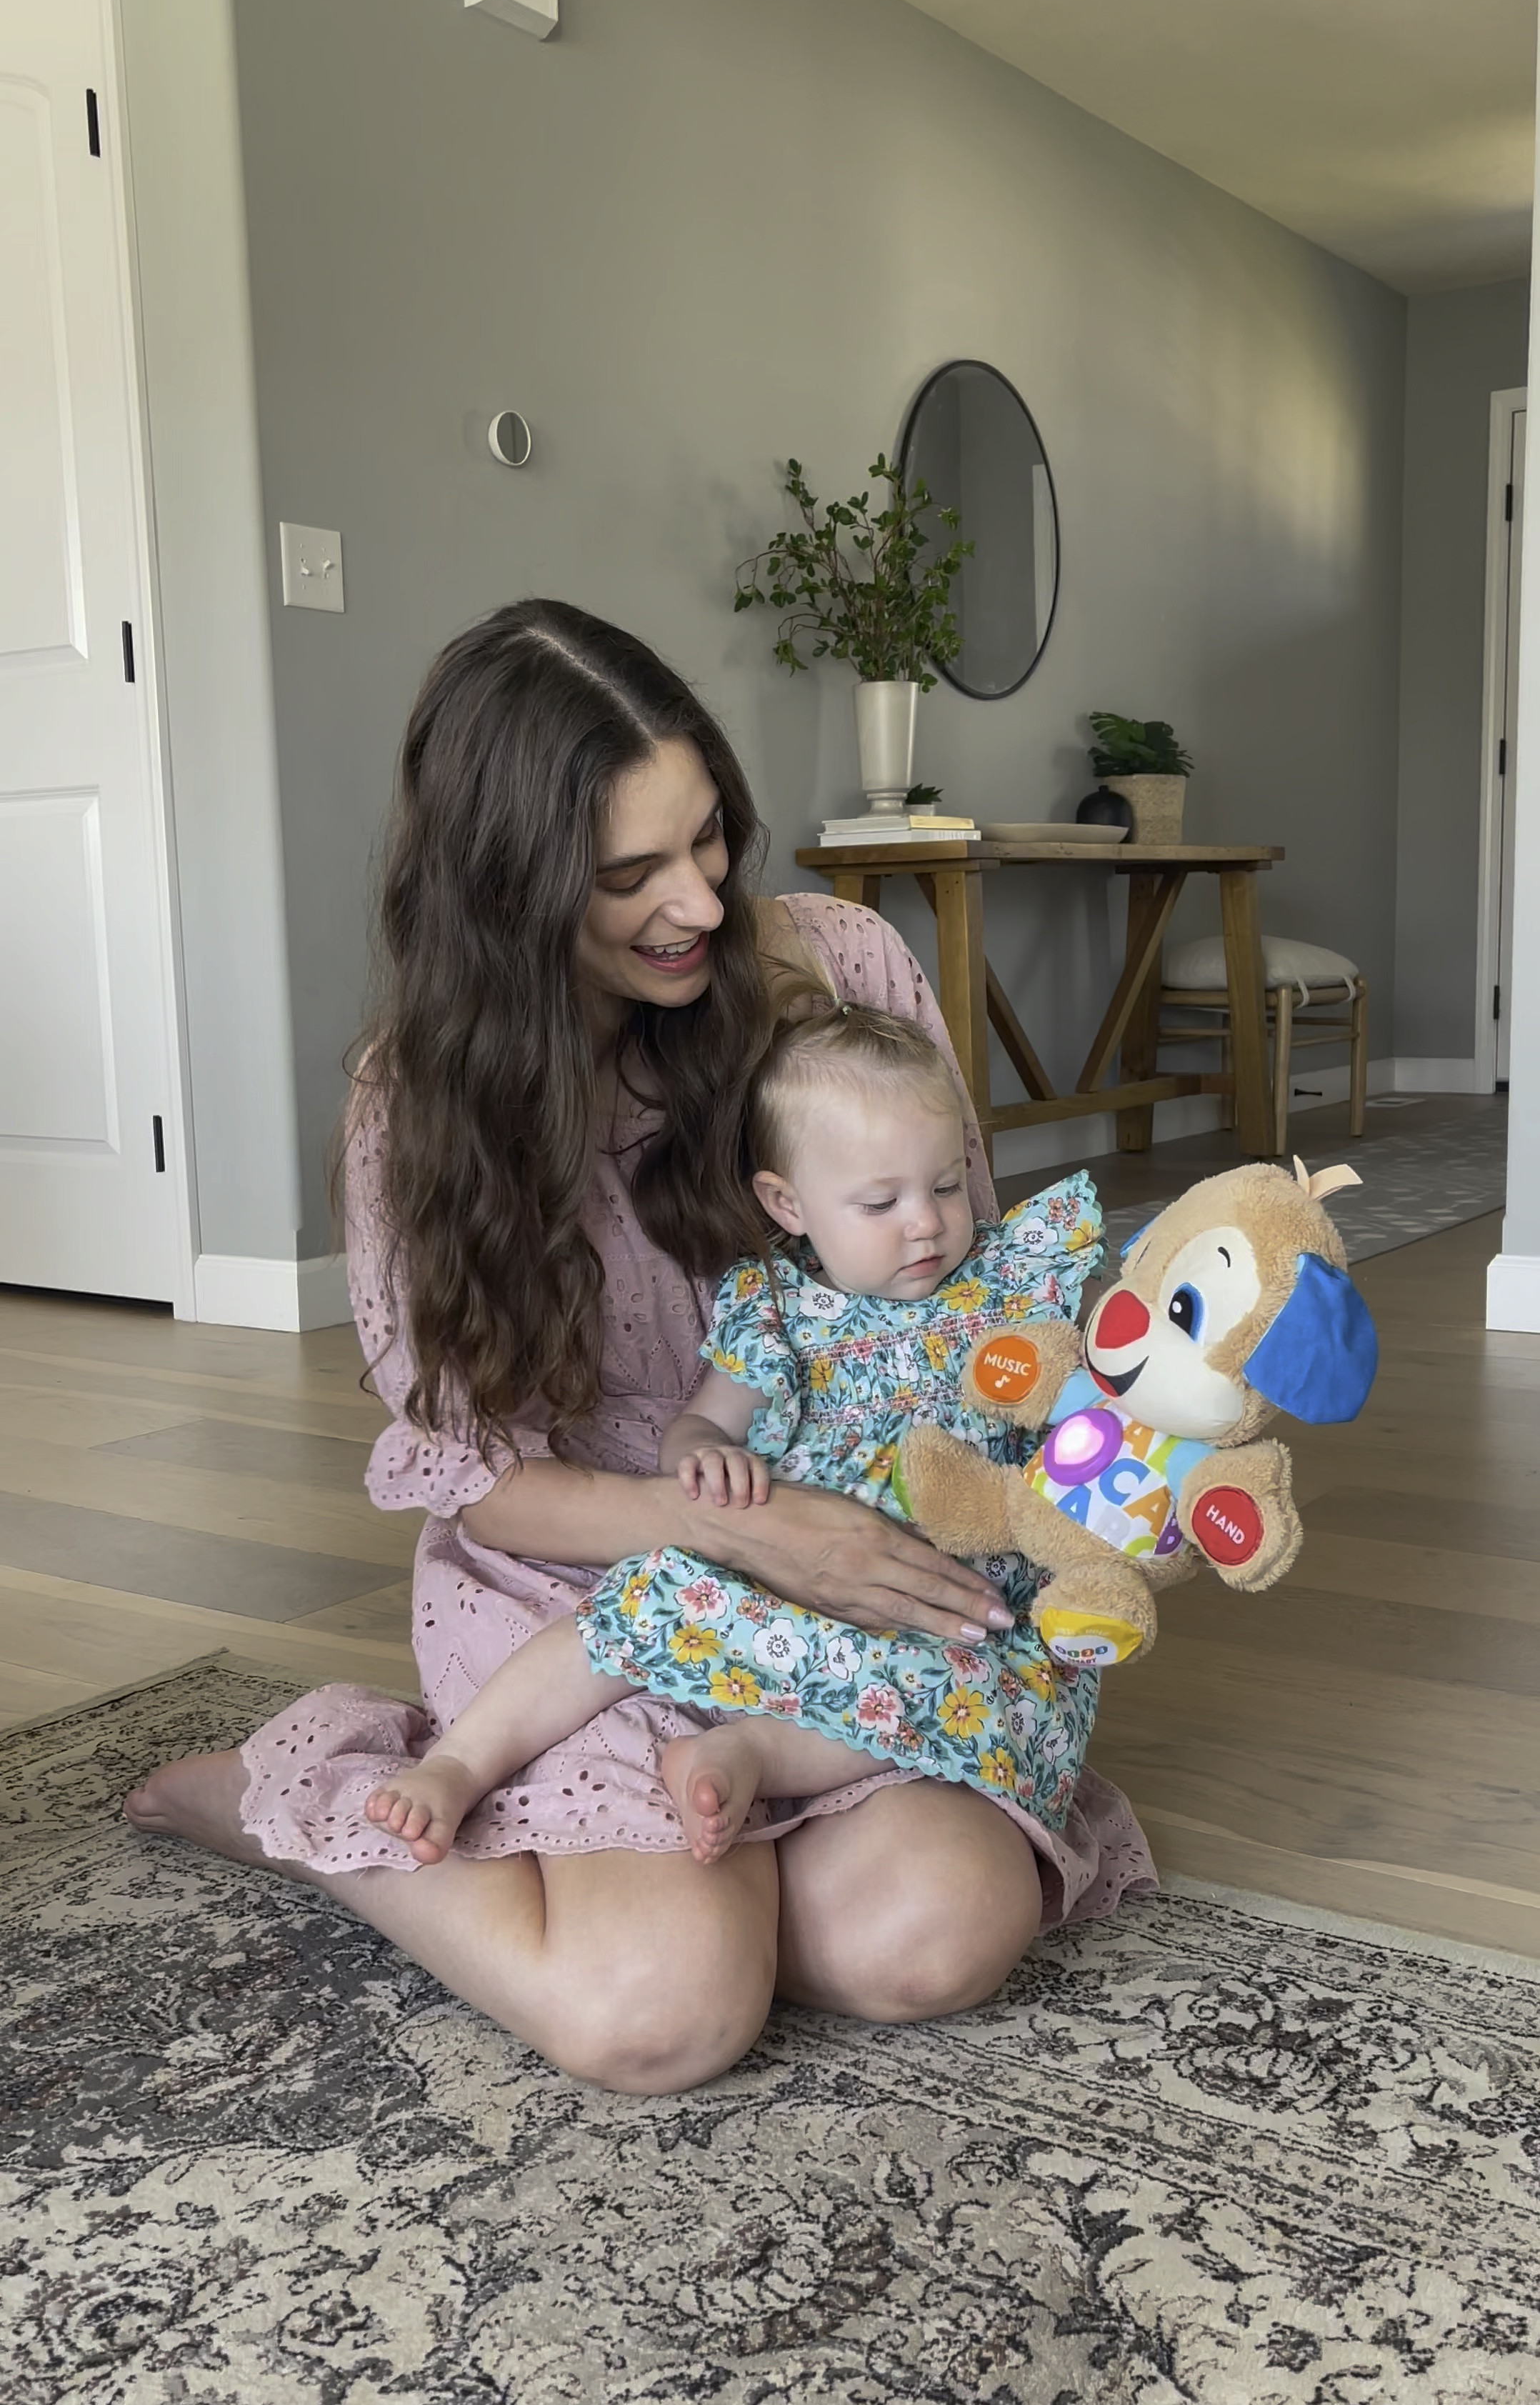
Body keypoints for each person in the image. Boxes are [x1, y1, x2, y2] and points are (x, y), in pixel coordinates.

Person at [126, 600, 1155, 2094]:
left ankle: (669, 1878)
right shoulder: (416, 1105)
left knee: (924, 1944)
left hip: (857, 1580)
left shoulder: (842, 970)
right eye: (629, 875)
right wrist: (736, 1528)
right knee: (658, 2023)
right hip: (586, 1587)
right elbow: (481, 1483)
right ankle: (314, 1815)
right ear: (508, 889)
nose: (698, 902)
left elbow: (978, 1302)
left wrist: (1110, 1465)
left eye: (709, 838)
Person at [362, 1001, 1105, 1871]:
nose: (927, 1222)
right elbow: (703, 1422)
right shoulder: (779, 1310)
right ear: (787, 1204)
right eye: (880, 1201)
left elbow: (1094, 1385)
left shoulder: (1005, 1288)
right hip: (779, 1577)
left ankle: (750, 1755)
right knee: (631, 1611)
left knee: (986, 1707)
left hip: (943, 1609)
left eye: (945, 1186)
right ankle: (458, 1763)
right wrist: (702, 1456)